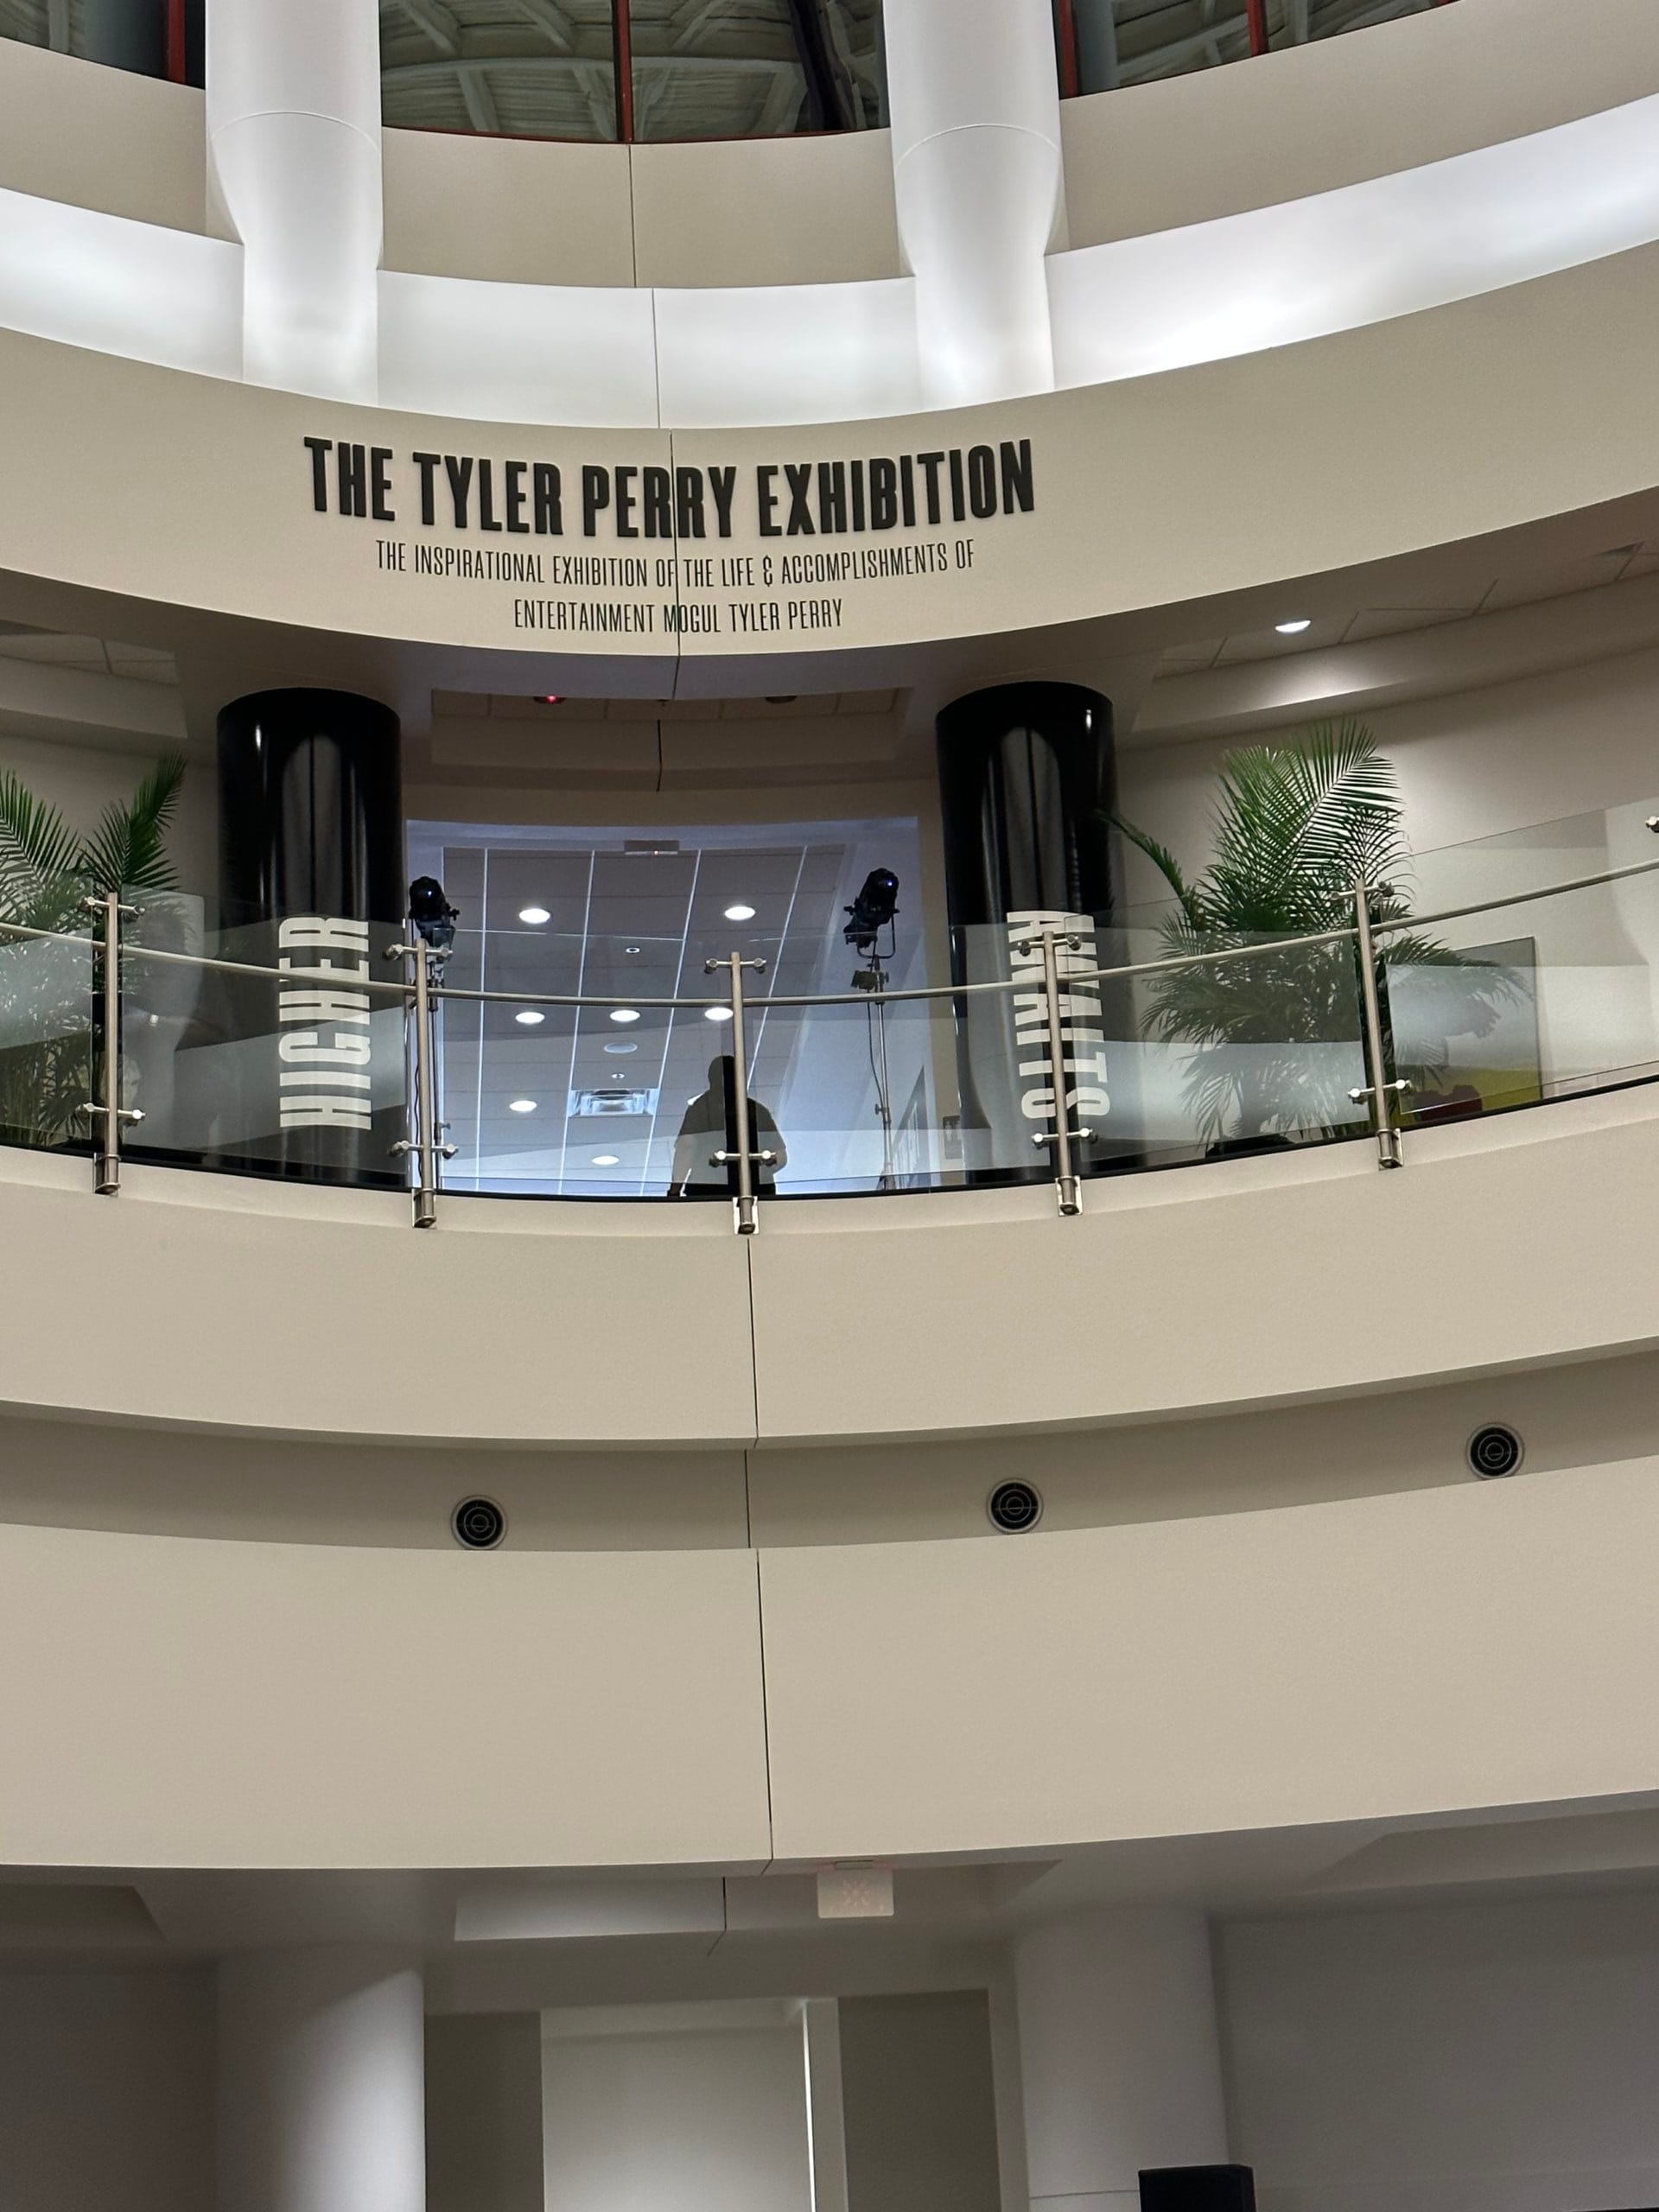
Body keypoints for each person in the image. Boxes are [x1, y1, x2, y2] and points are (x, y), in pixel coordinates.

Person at [671, 1053, 786, 1198]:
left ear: (711, 1079)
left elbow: (686, 1149)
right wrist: (757, 1172)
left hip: (706, 1191)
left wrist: (674, 1192)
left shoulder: (700, 1109)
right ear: (740, 1079)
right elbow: (780, 1156)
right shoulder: (756, 1111)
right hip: (757, 1192)